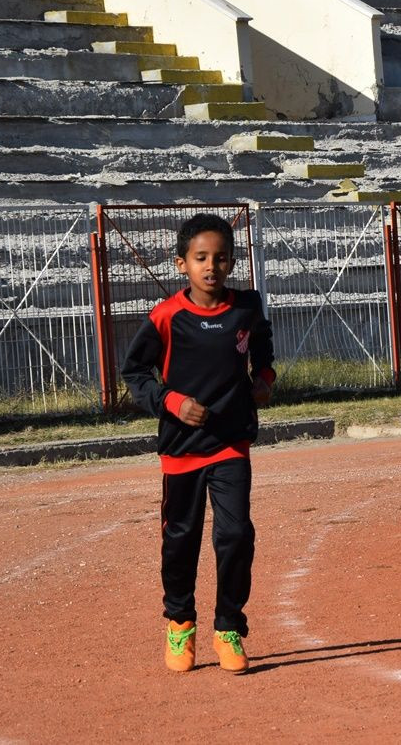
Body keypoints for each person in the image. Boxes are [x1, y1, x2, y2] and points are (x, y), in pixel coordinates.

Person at [121, 213, 275, 672]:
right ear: (181, 263)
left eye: (221, 258)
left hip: (231, 444)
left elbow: (263, 356)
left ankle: (229, 626)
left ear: (231, 262)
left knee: (235, 534)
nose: (212, 266)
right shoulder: (166, 316)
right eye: (201, 257)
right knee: (180, 540)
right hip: (181, 448)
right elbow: (134, 373)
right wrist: (170, 401)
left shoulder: (247, 308)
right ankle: (180, 623)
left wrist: (264, 379)